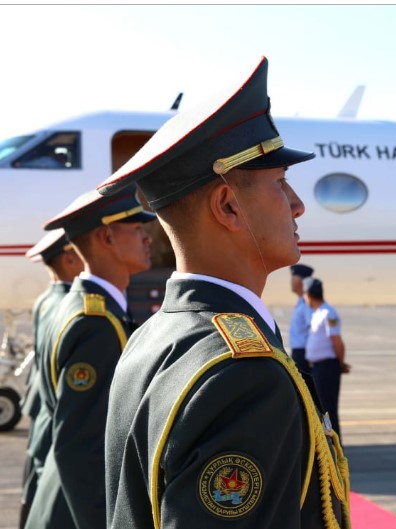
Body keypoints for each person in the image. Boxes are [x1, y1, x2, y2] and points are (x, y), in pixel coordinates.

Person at [99, 56, 350, 528]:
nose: (297, 205)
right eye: (280, 185)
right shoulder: (244, 375)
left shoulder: (153, 335)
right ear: (228, 206)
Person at [25, 189, 155, 529]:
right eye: (136, 227)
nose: (147, 236)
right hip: (77, 512)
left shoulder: (85, 308)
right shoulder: (96, 324)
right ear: (106, 236)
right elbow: (81, 447)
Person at [19, 229, 83, 529]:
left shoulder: (48, 299)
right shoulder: (73, 306)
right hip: (54, 415)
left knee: (35, 495)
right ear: (69, 259)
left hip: (41, 411)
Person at [304, 277, 349, 440]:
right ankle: (329, 446)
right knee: (323, 409)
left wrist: (340, 363)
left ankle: (335, 449)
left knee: (328, 409)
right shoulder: (318, 313)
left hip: (327, 368)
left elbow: (337, 342)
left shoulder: (328, 313)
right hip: (318, 368)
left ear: (308, 295)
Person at [289, 263, 314, 374]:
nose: (291, 282)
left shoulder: (307, 302)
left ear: (300, 282)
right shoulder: (301, 301)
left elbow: (313, 328)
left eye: (293, 278)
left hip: (305, 353)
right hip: (300, 353)